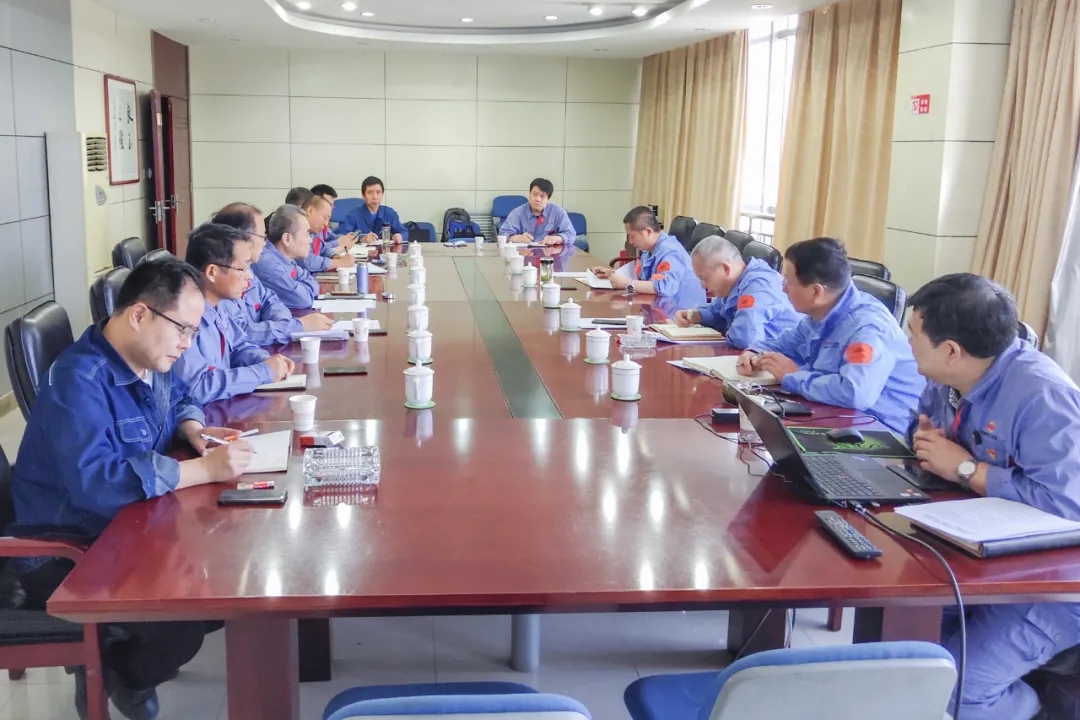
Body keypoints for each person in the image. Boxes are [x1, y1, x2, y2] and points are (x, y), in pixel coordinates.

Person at [9, 258, 254, 720]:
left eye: (193, 332)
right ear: (140, 314)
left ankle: (117, 649)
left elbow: (181, 395)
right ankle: (117, 674)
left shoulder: (147, 357)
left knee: (226, 587)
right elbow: (98, 483)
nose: (187, 343)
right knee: (182, 628)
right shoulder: (79, 381)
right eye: (183, 330)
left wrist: (193, 427)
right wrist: (203, 470)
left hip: (130, 526)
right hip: (70, 548)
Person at [905, 274, 1080, 720]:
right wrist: (925, 441)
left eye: (913, 333)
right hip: (978, 555)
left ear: (951, 350)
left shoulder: (1044, 396)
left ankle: (1034, 711)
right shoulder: (949, 377)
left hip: (1051, 585)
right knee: (907, 644)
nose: (906, 342)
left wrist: (967, 470)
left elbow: (1066, 508)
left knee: (955, 689)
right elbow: (922, 424)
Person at [736, 237, 923, 432]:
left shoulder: (868, 328)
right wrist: (753, 352)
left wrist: (794, 376)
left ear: (816, 292)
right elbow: (784, 343)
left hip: (879, 430)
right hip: (834, 417)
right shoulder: (819, 315)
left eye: (788, 281)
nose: (783, 288)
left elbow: (854, 392)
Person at [173, 223, 294, 404]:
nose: (249, 276)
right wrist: (263, 372)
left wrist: (265, 361)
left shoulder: (217, 305)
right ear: (212, 272)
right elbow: (198, 387)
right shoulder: (182, 317)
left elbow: (239, 346)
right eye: (242, 268)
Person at [211, 203, 333, 343]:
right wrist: (296, 326)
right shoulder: (226, 276)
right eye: (262, 236)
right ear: (241, 238)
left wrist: (282, 324)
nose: (265, 242)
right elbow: (242, 334)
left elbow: (270, 300)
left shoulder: (247, 268)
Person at [674, 235, 801, 348]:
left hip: (788, 360)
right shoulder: (733, 284)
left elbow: (745, 338)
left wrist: (728, 327)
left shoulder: (757, 284)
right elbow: (718, 311)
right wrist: (696, 315)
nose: (702, 285)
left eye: (704, 278)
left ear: (725, 269)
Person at [591, 206, 705, 309]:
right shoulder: (648, 249)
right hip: (659, 308)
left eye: (632, 236)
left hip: (681, 314)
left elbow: (665, 288)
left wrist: (627, 284)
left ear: (648, 231)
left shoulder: (670, 252)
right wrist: (612, 274)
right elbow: (641, 277)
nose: (630, 241)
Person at [251, 204, 321, 309]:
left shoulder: (287, 258)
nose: (310, 240)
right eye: (307, 234)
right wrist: (303, 288)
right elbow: (302, 300)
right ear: (287, 239)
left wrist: (303, 288)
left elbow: (311, 281)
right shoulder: (267, 264)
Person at [500, 178, 576, 246]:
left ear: (548, 198)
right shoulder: (518, 213)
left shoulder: (558, 212)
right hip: (523, 254)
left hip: (549, 254)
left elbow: (571, 234)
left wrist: (558, 238)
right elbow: (503, 234)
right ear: (529, 194)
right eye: (534, 194)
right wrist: (517, 238)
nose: (537, 199)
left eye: (542, 196)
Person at [334, 176, 408, 243]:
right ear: (363, 195)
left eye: (378, 192)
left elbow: (405, 232)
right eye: (370, 193)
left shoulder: (389, 213)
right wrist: (361, 238)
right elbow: (340, 235)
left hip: (384, 252)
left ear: (382, 194)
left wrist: (400, 236)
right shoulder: (353, 215)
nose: (375, 197)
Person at [297, 195, 356, 274]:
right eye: (325, 218)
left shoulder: (314, 230)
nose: (326, 224)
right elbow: (307, 261)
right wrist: (340, 262)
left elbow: (322, 249)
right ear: (310, 211)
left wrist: (335, 256)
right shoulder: (295, 228)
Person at [309, 183, 359, 253]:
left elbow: (331, 236)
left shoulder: (323, 224)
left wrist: (346, 238)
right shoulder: (312, 227)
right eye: (329, 204)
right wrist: (338, 243)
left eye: (332, 204)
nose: (332, 207)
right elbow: (319, 249)